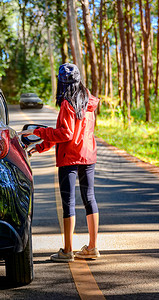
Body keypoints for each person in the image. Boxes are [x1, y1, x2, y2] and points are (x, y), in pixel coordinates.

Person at [20, 63, 100, 262]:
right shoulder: (88, 101)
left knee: (69, 204)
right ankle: (92, 247)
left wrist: (35, 132)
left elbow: (65, 134)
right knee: (90, 198)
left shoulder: (67, 103)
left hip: (69, 159)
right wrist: (39, 147)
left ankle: (67, 251)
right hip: (88, 156)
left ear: (61, 83)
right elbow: (74, 133)